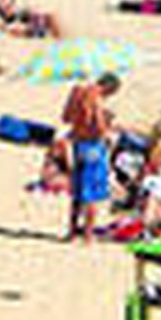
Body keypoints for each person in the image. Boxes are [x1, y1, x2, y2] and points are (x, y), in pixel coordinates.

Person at [63, 73, 120, 242]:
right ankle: (88, 235)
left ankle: (72, 232)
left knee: (77, 190)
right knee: (92, 194)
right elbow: (96, 124)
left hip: (77, 143)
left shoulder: (76, 92)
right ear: (109, 88)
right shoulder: (96, 98)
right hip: (93, 145)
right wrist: (106, 125)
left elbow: (66, 118)